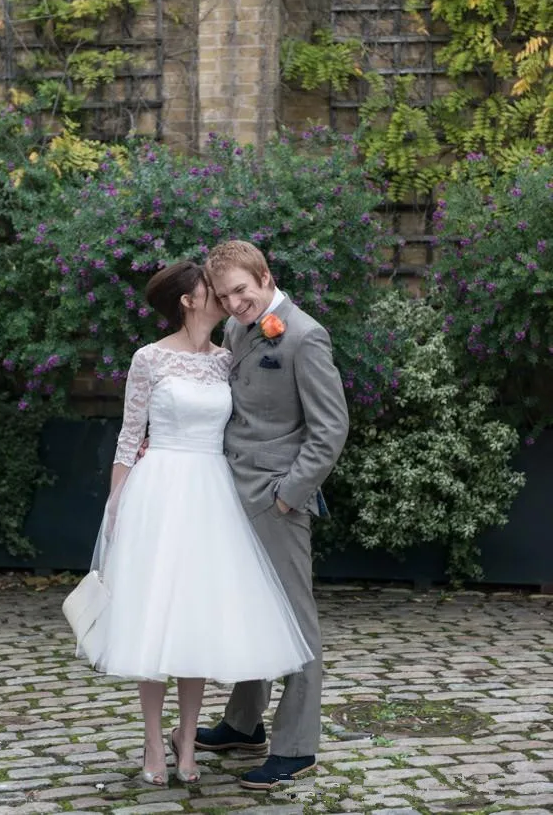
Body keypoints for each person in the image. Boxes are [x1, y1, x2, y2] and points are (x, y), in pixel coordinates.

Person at [82, 261, 312, 789]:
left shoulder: (227, 359)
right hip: (158, 492)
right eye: (212, 289)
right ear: (188, 300)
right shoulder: (150, 358)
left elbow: (252, 419)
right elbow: (127, 435)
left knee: (195, 619)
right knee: (152, 619)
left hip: (213, 495)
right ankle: (153, 743)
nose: (224, 298)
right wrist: (116, 506)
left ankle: (188, 743)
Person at [193, 240, 349, 790]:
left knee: (294, 621)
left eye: (242, 290)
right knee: (252, 610)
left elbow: (330, 429)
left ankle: (297, 747)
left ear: (265, 276)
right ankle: (242, 723)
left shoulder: (304, 336)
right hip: (230, 492)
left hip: (275, 498)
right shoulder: (237, 330)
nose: (235, 304)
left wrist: (289, 493)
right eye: (225, 295)